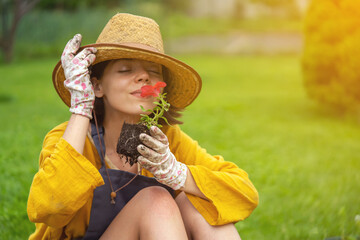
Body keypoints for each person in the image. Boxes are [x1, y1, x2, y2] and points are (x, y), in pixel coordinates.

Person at [27, 13, 259, 240]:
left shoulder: (167, 140)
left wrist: (179, 174)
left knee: (199, 203)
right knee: (155, 199)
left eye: (153, 71)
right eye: (126, 69)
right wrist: (81, 108)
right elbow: (49, 207)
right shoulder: (68, 138)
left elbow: (245, 192)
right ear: (96, 86)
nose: (143, 77)